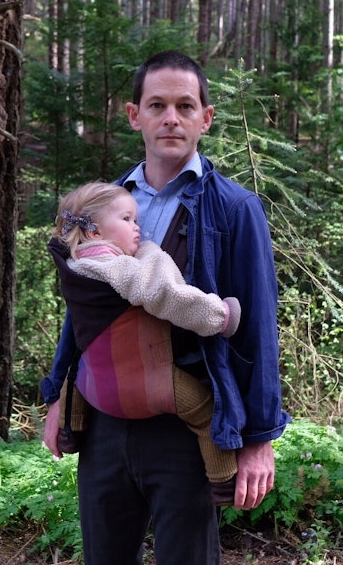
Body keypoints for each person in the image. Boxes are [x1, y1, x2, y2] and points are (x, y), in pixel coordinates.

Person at [41, 50, 290, 564]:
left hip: (186, 422)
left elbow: (258, 326)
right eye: (157, 105)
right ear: (135, 115)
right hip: (105, 420)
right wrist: (58, 397)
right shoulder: (102, 206)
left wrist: (259, 437)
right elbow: (82, 306)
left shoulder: (235, 208)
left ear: (206, 117)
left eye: (184, 105)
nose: (171, 117)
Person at [46, 181, 241, 503]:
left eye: (136, 219)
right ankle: (222, 481)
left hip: (93, 387)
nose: (137, 227)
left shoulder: (75, 263)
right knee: (206, 411)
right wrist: (219, 316)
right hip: (148, 383)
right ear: (95, 232)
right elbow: (163, 294)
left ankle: (71, 430)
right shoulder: (118, 268)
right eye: (127, 220)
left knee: (79, 370)